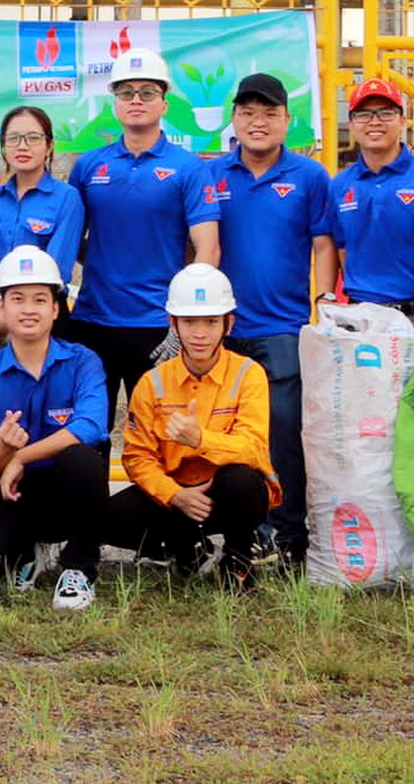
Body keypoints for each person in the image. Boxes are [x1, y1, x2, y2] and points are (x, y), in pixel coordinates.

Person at [206, 71, 335, 565]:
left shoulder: (309, 177)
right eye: (248, 113)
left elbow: (323, 245)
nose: (257, 123)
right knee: (225, 434)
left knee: (282, 434)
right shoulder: (212, 175)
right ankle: (238, 533)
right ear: (234, 120)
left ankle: (286, 535)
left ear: (287, 120)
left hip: (282, 329)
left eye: (269, 114)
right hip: (222, 332)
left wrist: (322, 303)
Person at [66, 46, 222, 427]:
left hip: (157, 326)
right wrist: (103, 259)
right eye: (126, 92)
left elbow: (208, 248)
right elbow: (72, 239)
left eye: (148, 92)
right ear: (115, 103)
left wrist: (183, 316)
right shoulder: (89, 166)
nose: (136, 100)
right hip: (93, 322)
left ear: (164, 103)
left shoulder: (188, 168)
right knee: (88, 436)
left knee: (156, 438)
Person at [0, 246, 110, 612]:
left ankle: (78, 568)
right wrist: (5, 450)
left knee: (85, 460)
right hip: (11, 494)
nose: (29, 309)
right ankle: (26, 552)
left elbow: (90, 425)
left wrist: (22, 455)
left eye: (40, 299)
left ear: (55, 309)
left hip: (65, 488)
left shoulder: (83, 361)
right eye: (17, 298)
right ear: (1, 308)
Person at [106, 263, 276, 590]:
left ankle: (238, 562)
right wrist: (175, 495)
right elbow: (137, 458)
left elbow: (253, 448)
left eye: (211, 322)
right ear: (173, 324)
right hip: (177, 495)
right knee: (108, 518)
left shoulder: (248, 374)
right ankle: (188, 549)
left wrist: (200, 439)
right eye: (189, 322)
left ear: (229, 324)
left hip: (225, 492)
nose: (200, 333)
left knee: (244, 483)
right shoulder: (153, 383)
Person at [330, 76, 414, 336]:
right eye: (364, 114)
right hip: (362, 318)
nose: (375, 122)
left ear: (403, 120)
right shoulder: (340, 186)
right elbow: (343, 253)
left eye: (386, 112)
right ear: (352, 123)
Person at [0, 105, 83, 352]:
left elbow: (57, 269)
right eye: (13, 138)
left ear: (49, 146)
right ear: (3, 147)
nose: (22, 146)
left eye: (33, 138)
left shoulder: (67, 198)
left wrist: (9, 319)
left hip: (44, 321)